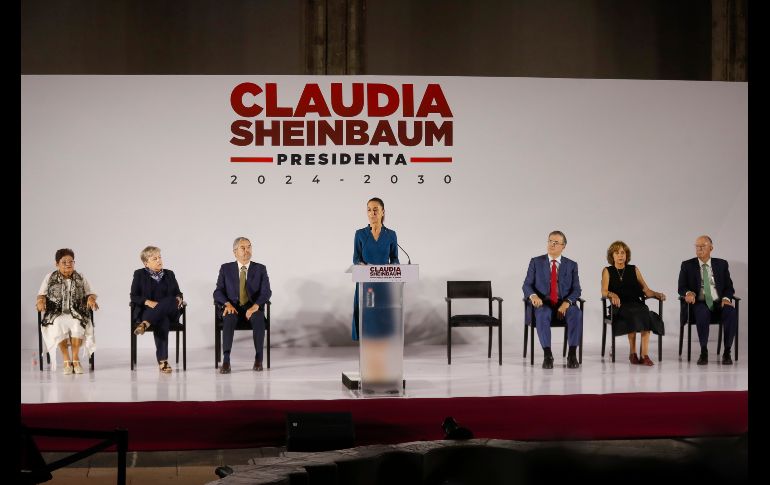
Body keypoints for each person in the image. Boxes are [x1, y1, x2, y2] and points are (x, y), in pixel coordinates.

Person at [522, 231, 582, 369]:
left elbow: (577, 289)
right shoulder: (536, 262)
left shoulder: (571, 265)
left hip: (564, 302)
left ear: (563, 246)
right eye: (550, 241)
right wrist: (533, 296)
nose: (552, 245)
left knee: (576, 313)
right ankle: (547, 355)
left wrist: (567, 303)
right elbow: (526, 284)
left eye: (556, 242)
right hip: (543, 302)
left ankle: (572, 354)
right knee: (542, 314)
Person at [601, 241, 666, 366]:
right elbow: (604, 291)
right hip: (619, 306)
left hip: (637, 303)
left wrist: (657, 294)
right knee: (633, 314)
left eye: (623, 253)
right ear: (612, 256)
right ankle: (633, 353)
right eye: (617, 253)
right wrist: (612, 294)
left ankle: (644, 355)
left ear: (626, 255)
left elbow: (646, 290)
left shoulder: (634, 269)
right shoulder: (607, 271)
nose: (620, 255)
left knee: (645, 313)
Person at [213, 237, 272, 374]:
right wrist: (226, 304)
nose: (247, 250)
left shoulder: (260, 269)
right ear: (235, 252)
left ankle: (259, 358)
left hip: (252, 307)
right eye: (243, 248)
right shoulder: (226, 268)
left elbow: (266, 291)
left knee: (258, 318)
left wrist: (256, 305)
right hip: (232, 307)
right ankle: (226, 359)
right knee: (229, 317)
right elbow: (217, 291)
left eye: (249, 247)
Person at [36, 248, 98, 374]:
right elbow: (41, 295)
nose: (68, 264)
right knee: (58, 323)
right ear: (57, 263)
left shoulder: (80, 276)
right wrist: (41, 301)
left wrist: (91, 299)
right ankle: (66, 359)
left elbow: (90, 293)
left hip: (77, 312)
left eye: (71, 261)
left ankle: (75, 359)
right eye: (64, 262)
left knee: (77, 323)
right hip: (56, 313)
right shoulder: (50, 277)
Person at [678, 235, 737, 365]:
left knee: (731, 312)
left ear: (711, 248)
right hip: (698, 303)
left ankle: (727, 351)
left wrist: (727, 298)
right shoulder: (687, 265)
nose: (699, 249)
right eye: (697, 246)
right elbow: (681, 287)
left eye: (702, 246)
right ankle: (703, 351)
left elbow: (729, 286)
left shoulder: (721, 264)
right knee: (702, 311)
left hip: (718, 302)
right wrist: (688, 293)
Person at [351, 197, 400, 341]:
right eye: (369, 210)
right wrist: (361, 265)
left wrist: (393, 267)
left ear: (382, 212)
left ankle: (383, 350)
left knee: (382, 319)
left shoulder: (391, 234)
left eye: (375, 210)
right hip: (366, 285)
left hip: (384, 285)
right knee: (367, 319)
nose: (372, 213)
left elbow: (395, 258)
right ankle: (368, 352)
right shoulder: (360, 234)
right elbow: (356, 258)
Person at [131, 246, 184, 373]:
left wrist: (179, 299)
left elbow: (178, 294)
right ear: (146, 263)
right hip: (149, 311)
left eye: (159, 257)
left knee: (172, 300)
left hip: (170, 311)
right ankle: (163, 361)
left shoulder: (170, 274)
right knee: (162, 320)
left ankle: (145, 324)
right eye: (154, 258)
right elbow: (133, 296)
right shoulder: (139, 274)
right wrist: (147, 302)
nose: (159, 260)